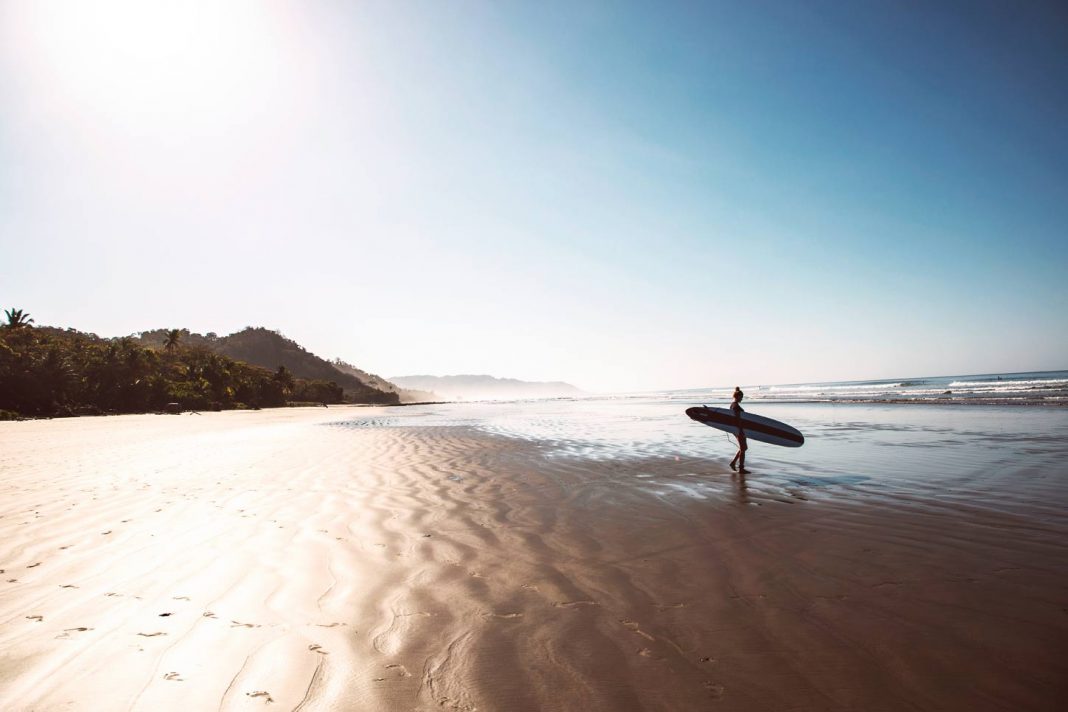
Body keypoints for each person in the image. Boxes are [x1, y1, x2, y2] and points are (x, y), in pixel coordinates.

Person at [728, 387, 748, 473]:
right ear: (738, 396)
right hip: (738, 429)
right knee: (743, 448)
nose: (742, 398)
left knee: (743, 448)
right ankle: (741, 468)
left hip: (736, 429)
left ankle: (733, 463)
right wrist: (741, 430)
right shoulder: (735, 406)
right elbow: (738, 419)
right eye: (741, 397)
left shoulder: (733, 404)